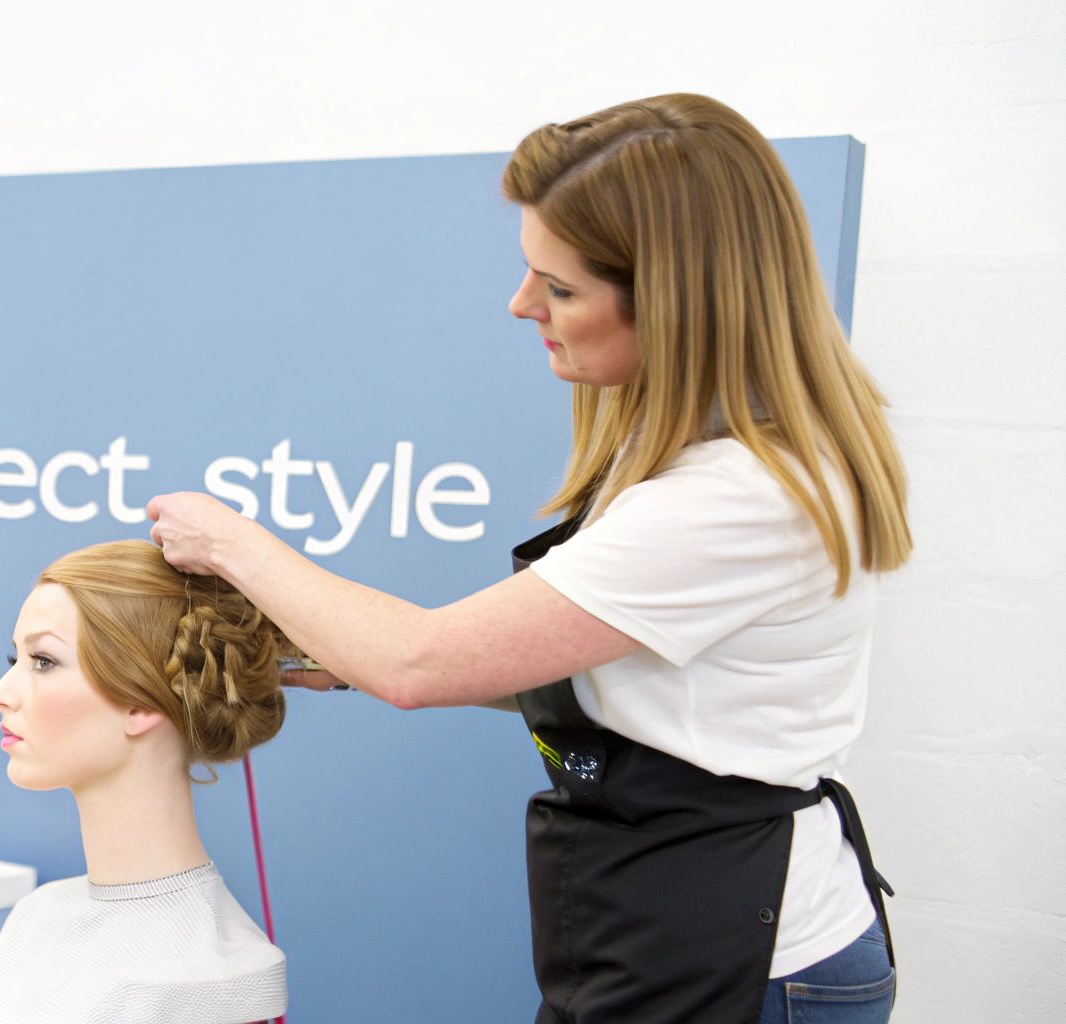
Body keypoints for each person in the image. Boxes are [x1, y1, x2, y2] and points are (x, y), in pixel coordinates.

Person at [147, 93, 908, 1023]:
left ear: (674, 300)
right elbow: (599, 655)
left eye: (561, 288)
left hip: (747, 955)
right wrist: (325, 661)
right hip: (657, 915)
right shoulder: (679, 445)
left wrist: (230, 543)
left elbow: (419, 664)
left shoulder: (741, 494)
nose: (521, 307)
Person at [0, 539, 290, 1024]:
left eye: (43, 662)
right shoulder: (38, 917)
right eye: (17, 661)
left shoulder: (204, 977)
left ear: (142, 703)